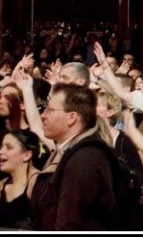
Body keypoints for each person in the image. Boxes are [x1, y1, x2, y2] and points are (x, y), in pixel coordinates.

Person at [30, 83, 116, 230]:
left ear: (71, 117)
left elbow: (69, 224)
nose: (43, 115)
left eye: (50, 110)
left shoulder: (84, 160)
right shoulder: (70, 150)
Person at [0, 129, 42, 229]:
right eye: (2, 146)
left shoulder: (37, 182)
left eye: (9, 147)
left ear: (27, 155)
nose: (0, 152)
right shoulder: (6, 184)